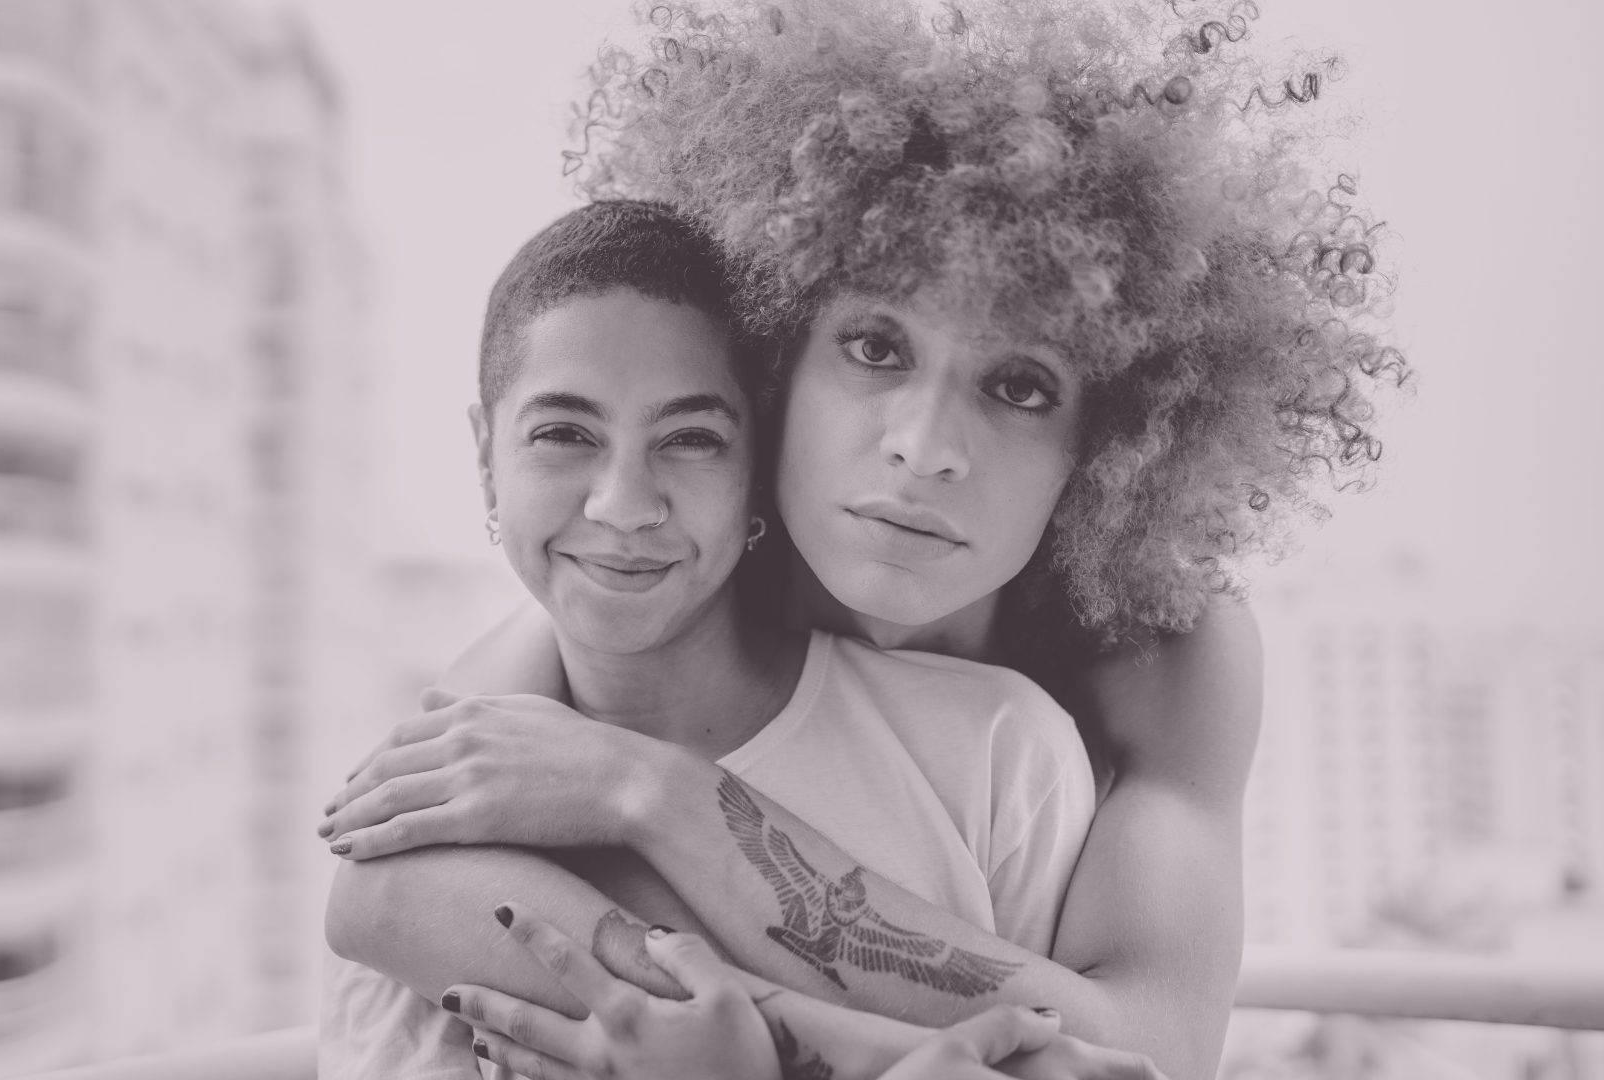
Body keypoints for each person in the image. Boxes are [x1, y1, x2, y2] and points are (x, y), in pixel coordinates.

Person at [325, 0, 1403, 1076]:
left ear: (1110, 437)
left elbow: (1146, 1056)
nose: (925, 447)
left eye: (1021, 385)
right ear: (776, 351)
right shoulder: (675, 557)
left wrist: (653, 792)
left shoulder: (1168, 645)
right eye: (877, 348)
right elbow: (386, 885)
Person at [321, 199, 1147, 1080]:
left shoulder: (999, 753)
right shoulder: (444, 809)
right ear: (486, 457)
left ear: (758, 457)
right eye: (563, 434)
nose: (624, 505)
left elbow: (1120, 1060)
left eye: (691, 439)